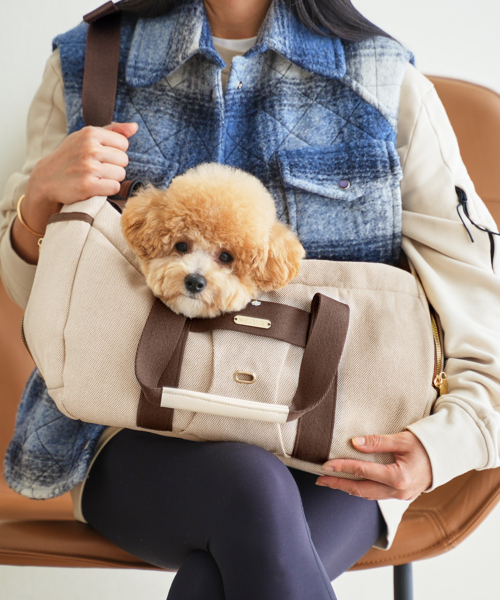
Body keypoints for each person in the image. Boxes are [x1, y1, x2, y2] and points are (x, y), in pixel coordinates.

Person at [2, 0, 500, 598]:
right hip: (127, 431)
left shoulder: (384, 78)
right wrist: (38, 203)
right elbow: (37, 304)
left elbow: (477, 295)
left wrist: (442, 444)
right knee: (249, 490)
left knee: (224, 568)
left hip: (337, 438)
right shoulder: (90, 61)